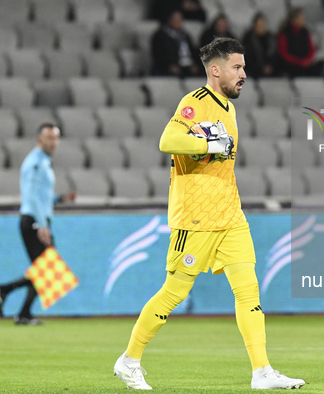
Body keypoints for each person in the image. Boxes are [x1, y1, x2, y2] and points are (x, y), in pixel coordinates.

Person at [113, 37, 305, 391]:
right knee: (173, 293)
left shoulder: (230, 109)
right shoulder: (194, 103)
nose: (244, 74)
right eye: (237, 67)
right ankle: (129, 360)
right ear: (215, 70)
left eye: (244, 67)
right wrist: (205, 144)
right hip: (196, 218)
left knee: (248, 293)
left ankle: (262, 372)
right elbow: (167, 141)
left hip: (230, 215)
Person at [0, 124, 76, 325]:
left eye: (56, 138)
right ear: (39, 140)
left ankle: (16, 304)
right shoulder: (36, 163)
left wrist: (59, 199)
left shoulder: (42, 161)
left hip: (36, 219)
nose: (54, 142)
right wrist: (42, 225)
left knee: (45, 269)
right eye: (49, 138)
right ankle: (13, 301)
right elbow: (31, 197)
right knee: (47, 269)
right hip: (34, 221)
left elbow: (41, 196)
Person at [151, 10, 202, 77]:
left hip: (187, 66)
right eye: (176, 19)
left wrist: (195, 64)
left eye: (180, 19)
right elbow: (158, 55)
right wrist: (169, 66)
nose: (179, 22)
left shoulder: (185, 35)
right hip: (168, 67)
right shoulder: (160, 35)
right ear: (170, 20)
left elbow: (193, 51)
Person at [276, 8, 323, 77]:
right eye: (301, 17)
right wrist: (299, 62)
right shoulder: (284, 33)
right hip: (291, 65)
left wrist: (307, 61)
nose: (304, 19)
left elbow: (312, 49)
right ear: (294, 19)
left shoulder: (306, 32)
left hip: (305, 64)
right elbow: (284, 53)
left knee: (322, 65)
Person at [242, 13, 275, 79]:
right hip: (253, 72)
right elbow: (248, 57)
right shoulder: (248, 39)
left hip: (271, 72)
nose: (261, 27)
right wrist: (261, 68)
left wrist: (270, 66)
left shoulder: (270, 38)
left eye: (262, 25)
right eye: (259, 25)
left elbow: (274, 55)